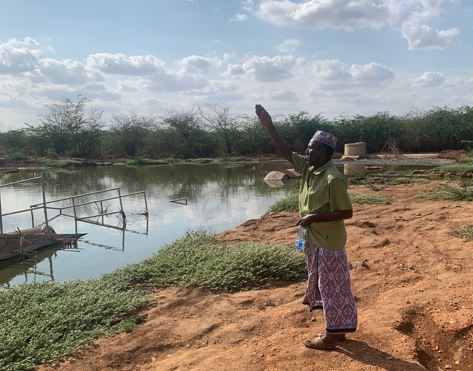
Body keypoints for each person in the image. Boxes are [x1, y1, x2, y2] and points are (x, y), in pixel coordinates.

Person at [255, 104, 357, 350]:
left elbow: (347, 212)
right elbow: (285, 153)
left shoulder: (333, 178)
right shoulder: (311, 169)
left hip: (328, 241)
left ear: (324, 152)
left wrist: (312, 217)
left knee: (330, 286)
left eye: (311, 149)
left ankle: (332, 336)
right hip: (312, 239)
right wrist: (269, 126)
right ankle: (338, 329)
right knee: (324, 283)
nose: (306, 152)